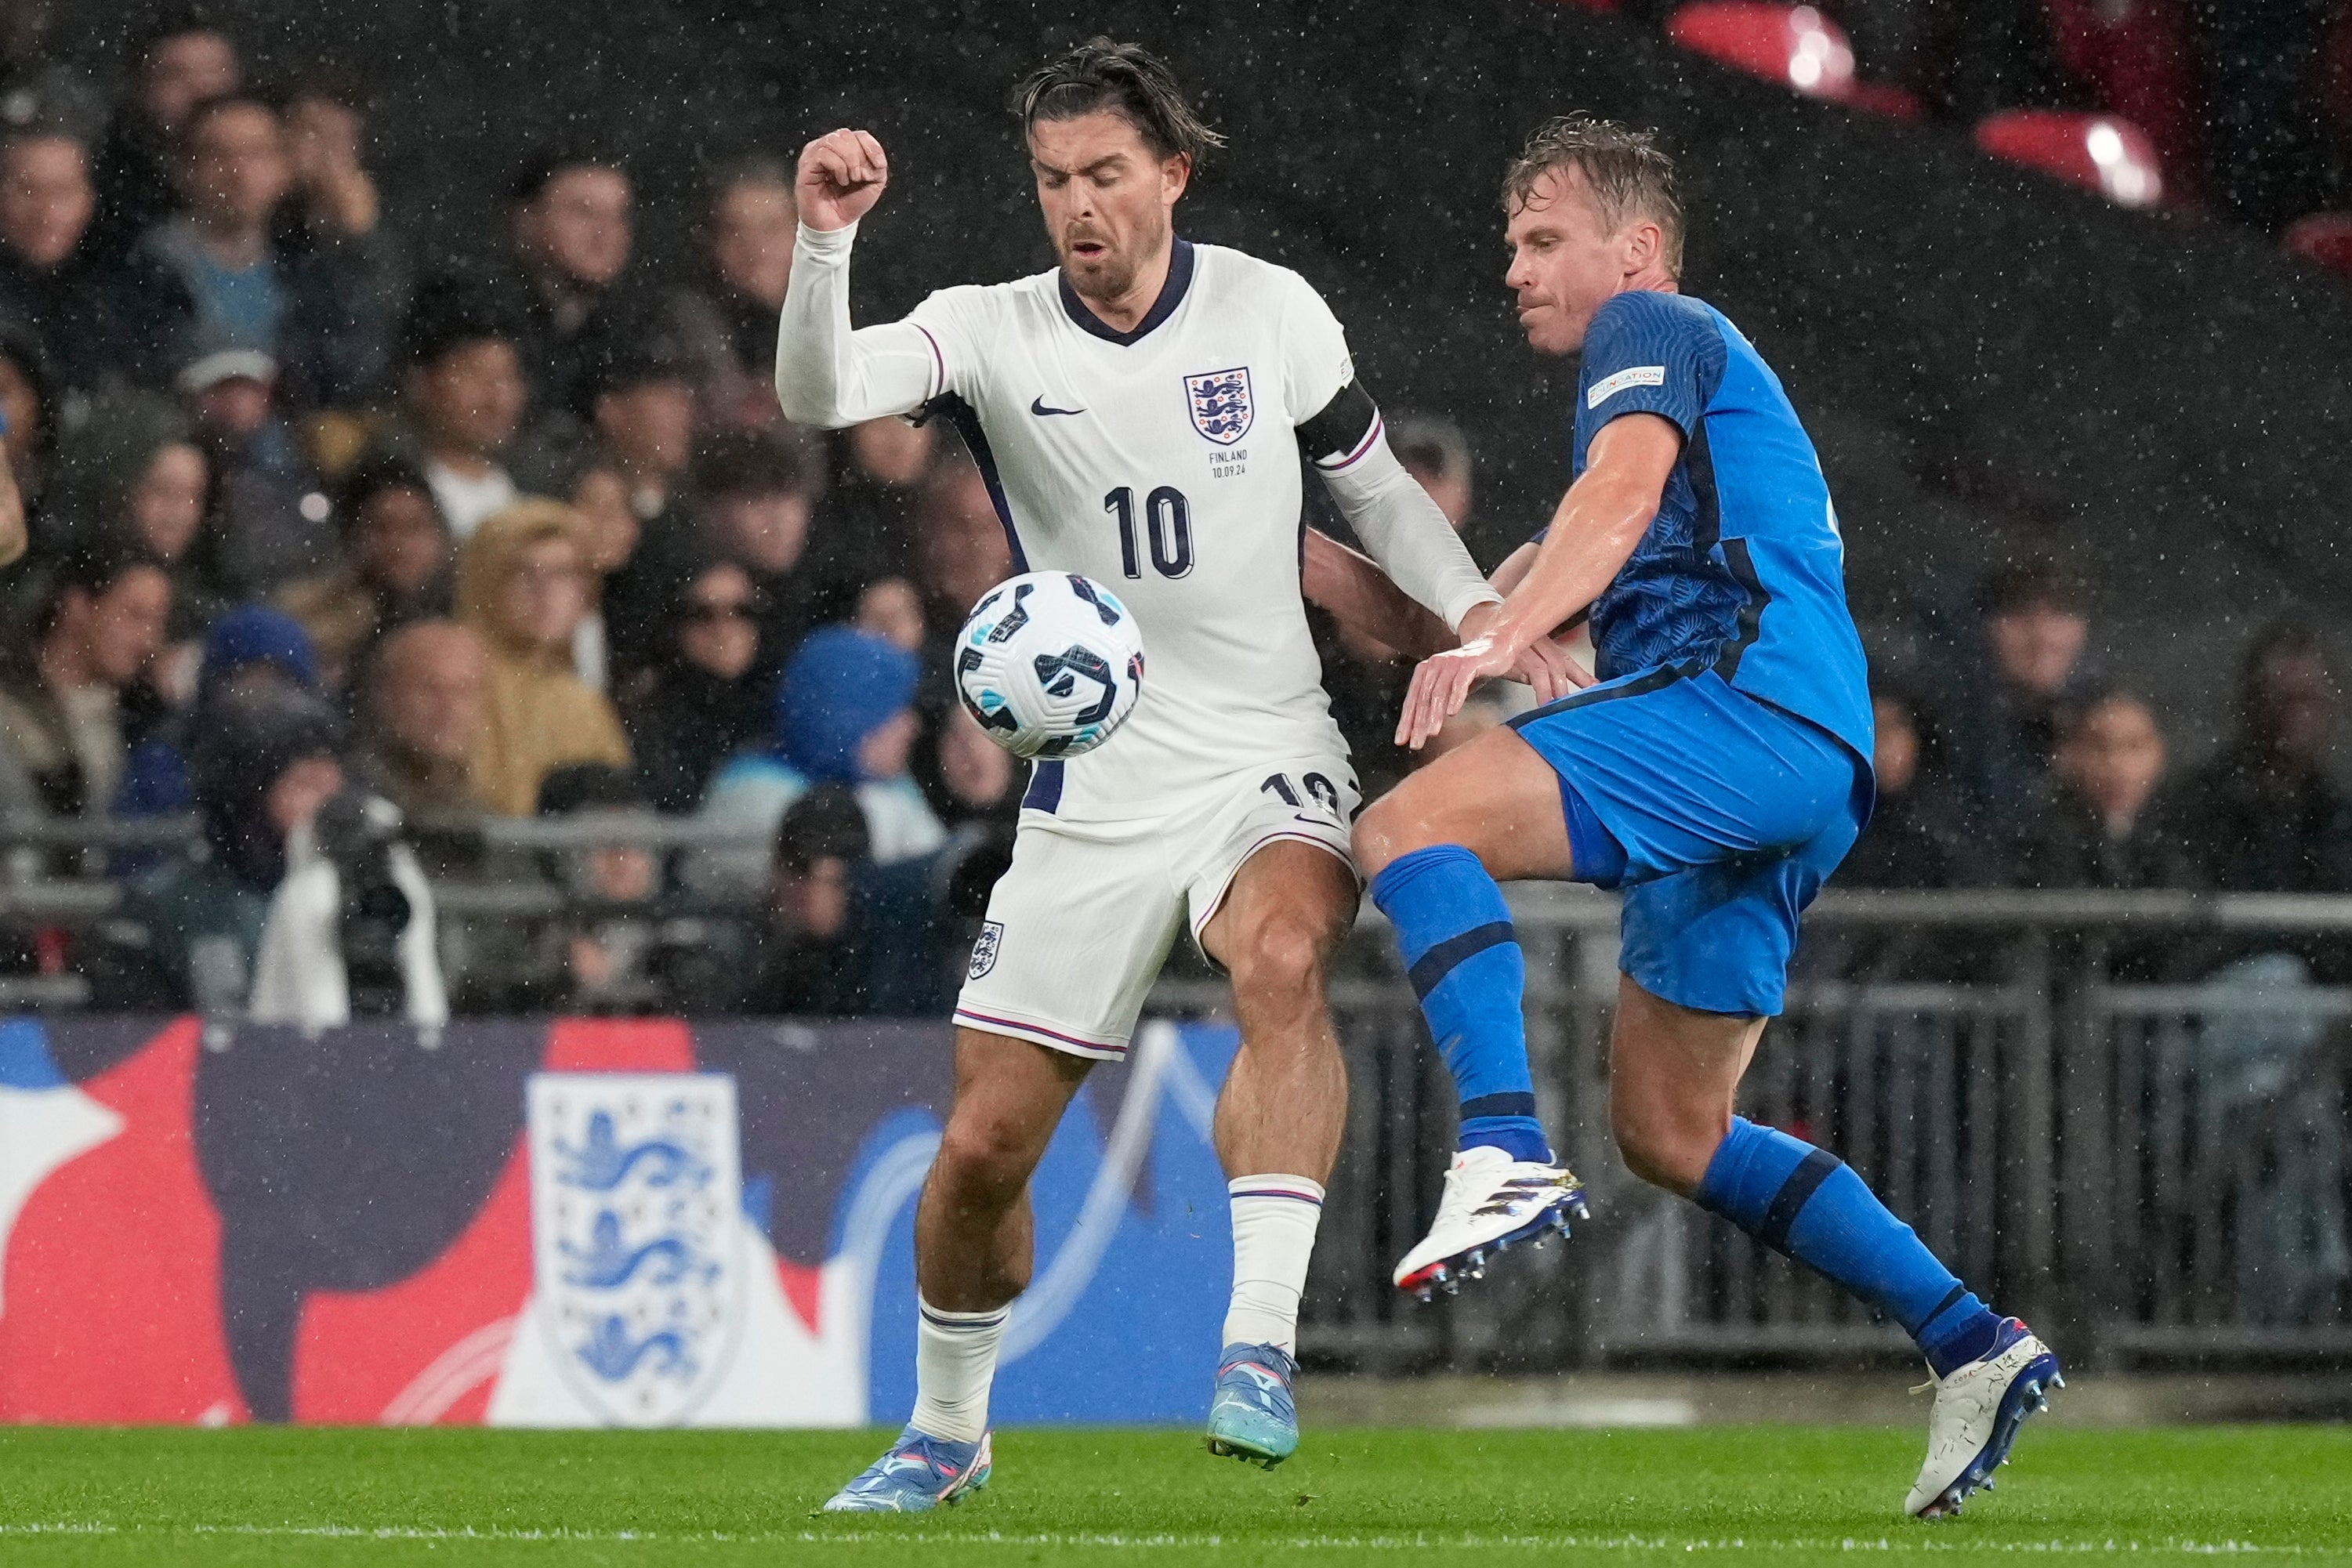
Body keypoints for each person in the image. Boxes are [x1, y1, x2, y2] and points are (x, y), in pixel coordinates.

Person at [782, 39, 1506, 1505]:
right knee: (983, 1147)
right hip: (1093, 788)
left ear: (1172, 172)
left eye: (1105, 173)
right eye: (1053, 181)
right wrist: (823, 245)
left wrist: (1482, 615)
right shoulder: (991, 330)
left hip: (1266, 745)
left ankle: (1255, 1345)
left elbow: (1370, 488)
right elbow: (824, 392)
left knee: (1285, 956)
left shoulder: (1270, 310)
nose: (1077, 206)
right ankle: (945, 1429)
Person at [1346, 116, 2059, 1520]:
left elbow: (1612, 503)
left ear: (1638, 250)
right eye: (1509, 246)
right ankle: (1971, 1339)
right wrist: (1509, 608)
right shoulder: (1650, 396)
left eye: (1543, 240)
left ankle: (1496, 1140)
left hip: (1743, 713)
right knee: (1673, 1133)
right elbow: (1575, 536)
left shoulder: (1656, 325)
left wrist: (1507, 640)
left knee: (1404, 832)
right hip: (1796, 768)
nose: (1516, 270)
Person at [118, 683, 343, 1012]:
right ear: (249, 792)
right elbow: (135, 1035)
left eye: (334, 792)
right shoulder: (168, 906)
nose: (326, 811)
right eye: (305, 787)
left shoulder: (352, 897)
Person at [455, 497, 629, 815]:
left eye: (563, 573)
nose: (545, 591)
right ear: (485, 581)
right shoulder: (458, 683)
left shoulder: (582, 700)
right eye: (523, 573)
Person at [0, 538, 172, 824]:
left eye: (158, 622)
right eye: (135, 616)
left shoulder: (146, 720)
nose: (149, 641)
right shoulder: (11, 704)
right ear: (78, 606)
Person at [276, 457, 453, 690]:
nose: (400, 547)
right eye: (383, 528)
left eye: (415, 527)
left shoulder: (468, 613)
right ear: (351, 535)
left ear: (441, 537)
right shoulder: (307, 623)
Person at [491, 149, 643, 412]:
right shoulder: (484, 313)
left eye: (618, 216)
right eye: (583, 213)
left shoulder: (644, 323)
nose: (604, 234)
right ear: (527, 221)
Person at [618, 555, 769, 813]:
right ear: (676, 626)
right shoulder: (650, 718)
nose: (724, 628)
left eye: (742, 611)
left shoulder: (781, 704)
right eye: (702, 614)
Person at [88, 18, 240, 270]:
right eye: (175, 75)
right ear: (140, 88)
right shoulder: (108, 182)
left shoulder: (285, 168)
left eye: (215, 71)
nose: (202, 89)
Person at [665, 157, 800, 430]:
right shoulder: (683, 333)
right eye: (736, 231)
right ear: (712, 243)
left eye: (772, 228)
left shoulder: (841, 327)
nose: (757, 249)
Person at [384, 285, 527, 542]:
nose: (497, 400)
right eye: (476, 375)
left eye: (507, 377)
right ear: (421, 383)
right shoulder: (389, 491)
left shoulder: (540, 482)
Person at [2013, 690, 2190, 892]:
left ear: (2159, 751)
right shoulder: (2038, 840)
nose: (2116, 764)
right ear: (2071, 754)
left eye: (2133, 746)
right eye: (2099, 746)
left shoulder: (2188, 832)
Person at [0, 124, 115, 392]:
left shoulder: (120, 287)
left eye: (62, 192)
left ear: (88, 199)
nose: (46, 214)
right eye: (29, 192)